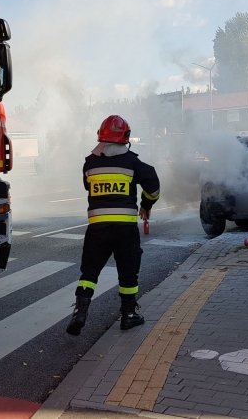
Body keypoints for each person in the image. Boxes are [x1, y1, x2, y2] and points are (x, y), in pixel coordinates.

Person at [66, 115, 161, 336]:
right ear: (125, 137)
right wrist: (146, 204)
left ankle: (80, 312)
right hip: (125, 229)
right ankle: (128, 316)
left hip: (97, 228)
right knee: (128, 273)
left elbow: (86, 185)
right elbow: (153, 186)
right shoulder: (133, 163)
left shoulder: (89, 163)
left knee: (89, 271)